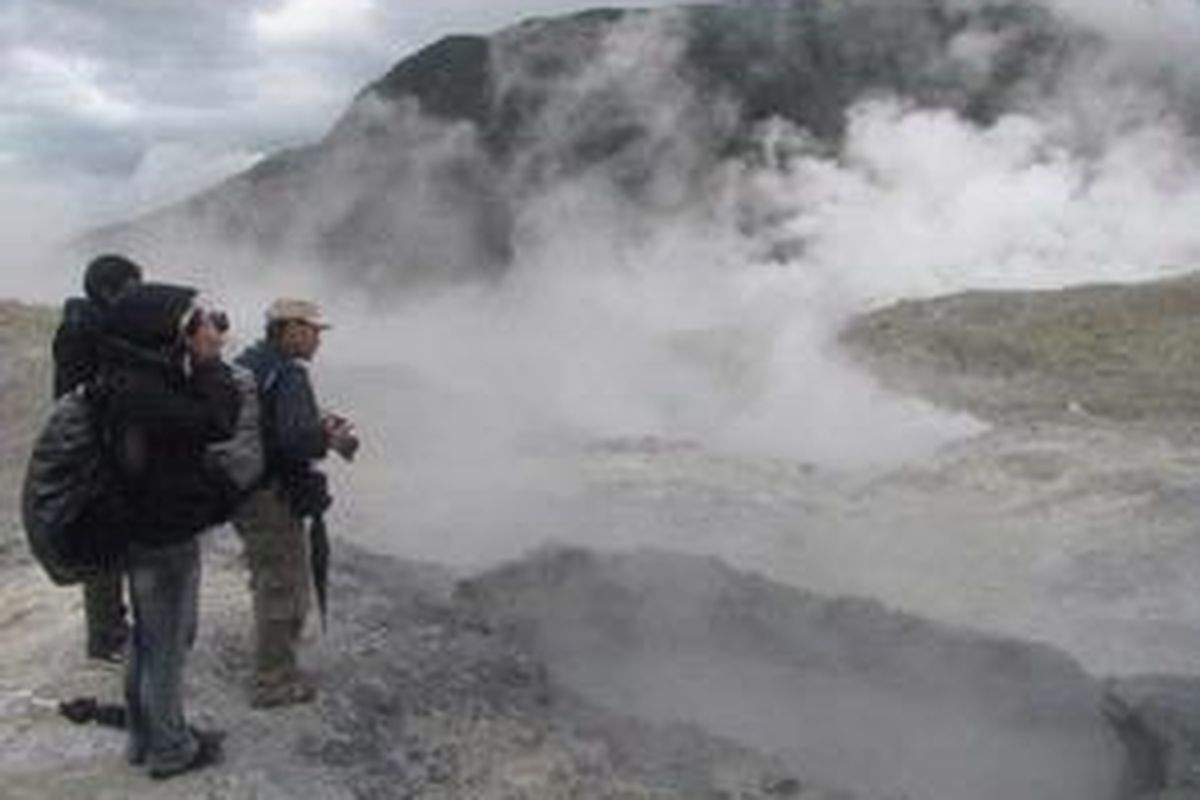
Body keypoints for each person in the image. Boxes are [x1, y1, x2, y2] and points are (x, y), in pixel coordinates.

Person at [99, 282, 240, 778]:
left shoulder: (130, 377)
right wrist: (210, 362)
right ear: (161, 331)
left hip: (147, 533)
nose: (202, 328)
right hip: (163, 537)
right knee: (169, 643)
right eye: (190, 322)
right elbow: (219, 420)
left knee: (147, 638)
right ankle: (170, 748)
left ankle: (143, 738)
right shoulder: (145, 390)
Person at [233, 298, 357, 708]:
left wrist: (314, 423)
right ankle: (274, 680)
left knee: (270, 574)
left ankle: (276, 657)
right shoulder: (288, 374)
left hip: (246, 488)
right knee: (281, 582)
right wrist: (330, 438)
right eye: (313, 331)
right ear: (289, 330)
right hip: (272, 493)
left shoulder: (250, 362)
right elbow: (293, 440)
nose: (318, 340)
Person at [52, 253, 143, 661]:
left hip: (99, 447)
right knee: (105, 541)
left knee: (113, 539)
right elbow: (91, 393)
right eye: (133, 288)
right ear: (111, 290)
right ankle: (106, 637)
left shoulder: (87, 326)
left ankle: (111, 626)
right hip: (95, 452)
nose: (139, 297)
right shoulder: (86, 331)